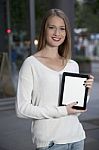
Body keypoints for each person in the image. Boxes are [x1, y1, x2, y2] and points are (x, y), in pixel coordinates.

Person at [16, 9, 94, 150]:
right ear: (44, 30)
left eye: (62, 29)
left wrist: (86, 93)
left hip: (77, 137)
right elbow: (21, 109)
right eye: (52, 27)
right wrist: (63, 110)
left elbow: (75, 110)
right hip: (51, 142)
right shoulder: (31, 64)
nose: (57, 33)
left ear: (66, 33)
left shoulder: (72, 65)